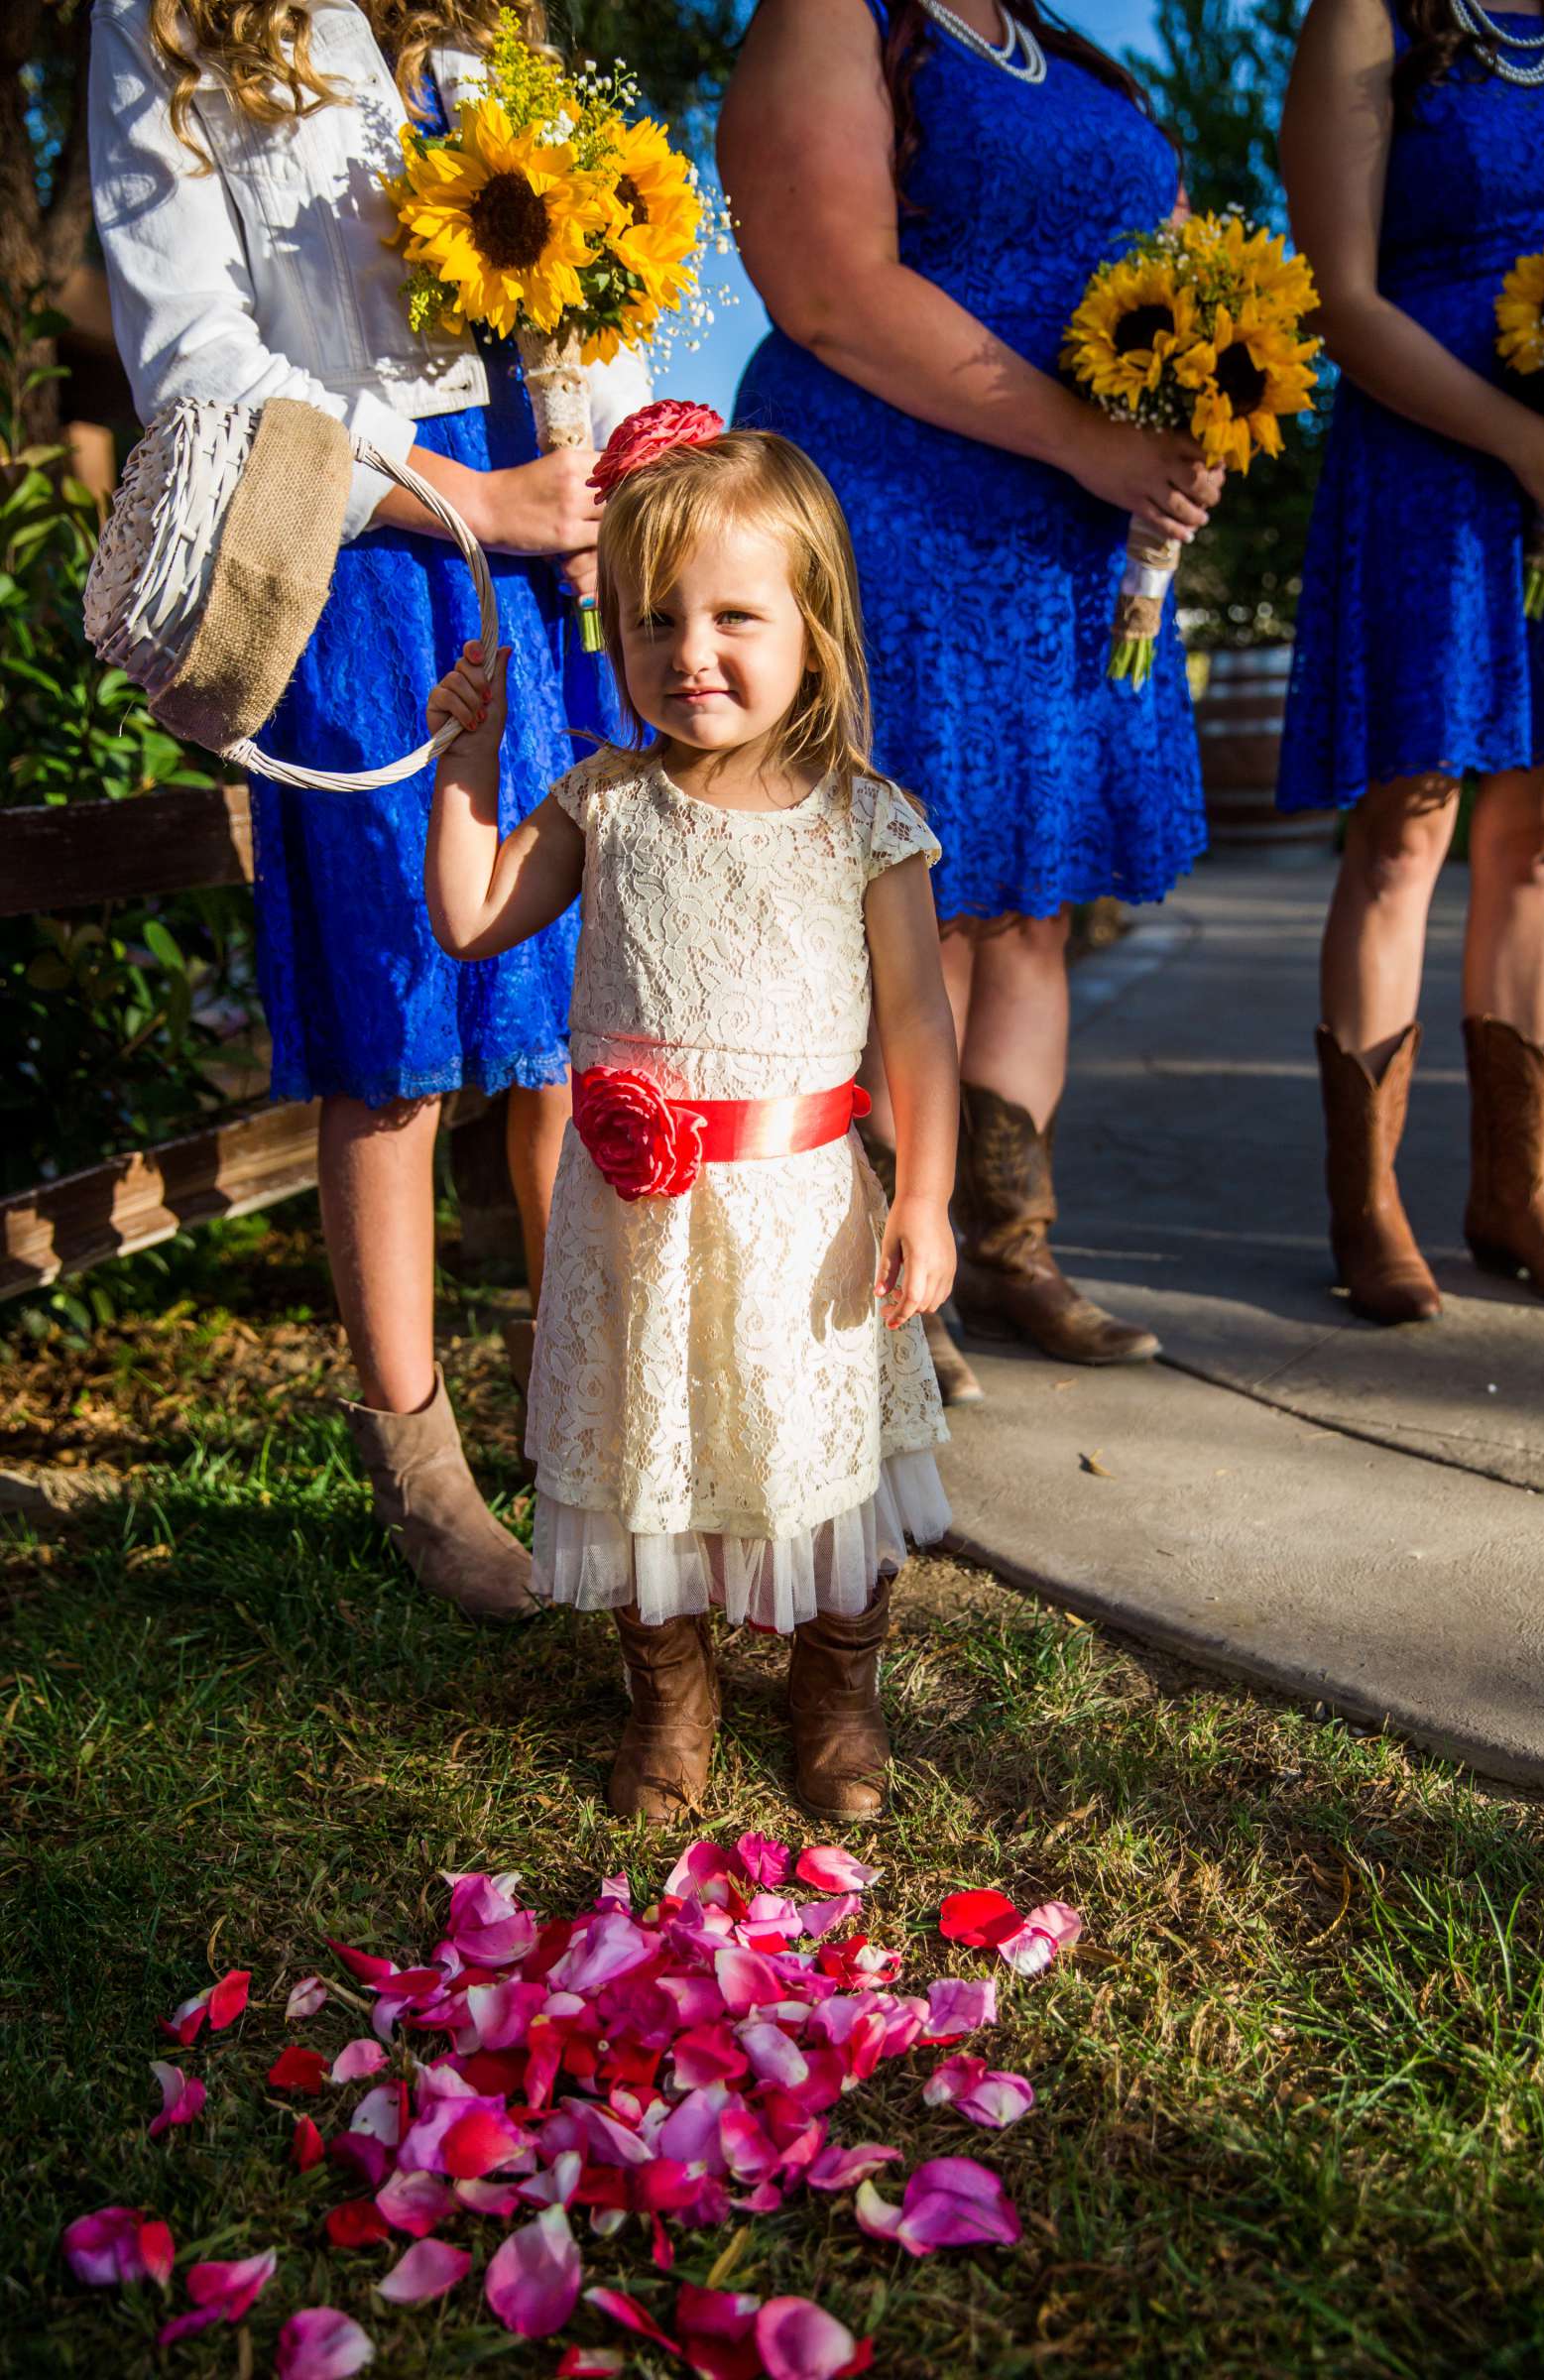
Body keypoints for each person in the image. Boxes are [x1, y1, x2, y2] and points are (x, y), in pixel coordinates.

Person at [90, 0, 643, 1615]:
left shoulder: (482, 19)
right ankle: (418, 1465)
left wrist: (593, 483)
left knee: (557, 996)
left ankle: (581, 1410)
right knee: (395, 1008)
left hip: (545, 545)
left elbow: (583, 284)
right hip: (349, 537)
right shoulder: (169, 19)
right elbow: (193, 353)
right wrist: (470, 498)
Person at [423, 405, 956, 1821]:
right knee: (647, 1446)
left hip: (805, 1224)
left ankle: (836, 1685)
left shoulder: (867, 818)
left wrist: (927, 1196)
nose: (690, 653)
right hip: (639, 1224)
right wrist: (467, 770)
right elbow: (474, 918)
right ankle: (670, 1694)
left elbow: (919, 1025)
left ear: (813, 633)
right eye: (653, 620)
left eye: (733, 616)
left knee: (820, 1436)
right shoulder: (603, 804)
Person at [720, 0, 1225, 1399]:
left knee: (1031, 907)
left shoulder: (1067, 52)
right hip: (900, 508)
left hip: (1069, 535)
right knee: (913, 905)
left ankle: (1009, 1241)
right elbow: (826, 289)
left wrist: (1195, 415)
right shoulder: (839, 17)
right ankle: (892, 1260)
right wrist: (1090, 441)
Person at [1278, 0, 1544, 1322]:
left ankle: (1517, 1192)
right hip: (1428, 456)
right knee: (1410, 829)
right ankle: (1372, 1203)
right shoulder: (1368, 14)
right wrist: (1525, 442)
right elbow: (1340, 300)